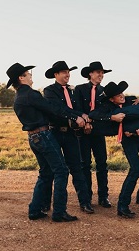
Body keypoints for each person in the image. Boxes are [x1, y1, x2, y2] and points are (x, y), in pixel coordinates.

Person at [6, 62, 81, 222]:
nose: (31, 75)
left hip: (33, 137)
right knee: (61, 171)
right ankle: (59, 212)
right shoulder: (30, 94)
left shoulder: (19, 96)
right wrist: (75, 116)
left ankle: (35, 210)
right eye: (28, 74)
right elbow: (52, 109)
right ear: (21, 78)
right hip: (44, 135)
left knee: (46, 172)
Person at [88, 81, 139, 218]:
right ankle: (122, 206)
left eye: (121, 92)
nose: (121, 95)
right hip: (128, 140)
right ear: (111, 99)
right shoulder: (107, 107)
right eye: (117, 94)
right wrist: (112, 117)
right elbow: (93, 114)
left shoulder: (131, 100)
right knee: (136, 169)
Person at [42, 61, 94, 214]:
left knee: (77, 168)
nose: (67, 74)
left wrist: (83, 116)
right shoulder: (49, 91)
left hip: (71, 134)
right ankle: (46, 204)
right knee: (52, 169)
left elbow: (77, 108)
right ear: (56, 75)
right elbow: (58, 109)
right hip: (55, 133)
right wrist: (76, 116)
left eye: (68, 71)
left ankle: (85, 203)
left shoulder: (73, 91)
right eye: (64, 72)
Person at [74, 61, 112, 208]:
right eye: (98, 72)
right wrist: (84, 118)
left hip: (99, 131)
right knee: (85, 164)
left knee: (102, 163)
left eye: (102, 73)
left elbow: (105, 110)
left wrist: (94, 122)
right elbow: (76, 107)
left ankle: (103, 197)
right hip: (82, 132)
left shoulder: (105, 91)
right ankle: (86, 197)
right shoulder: (80, 89)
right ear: (90, 74)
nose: (101, 75)